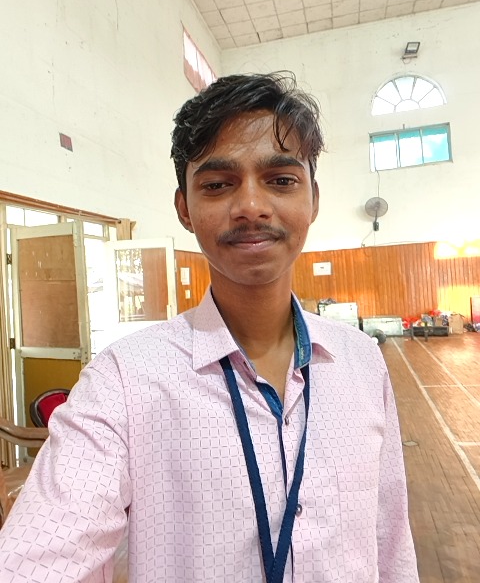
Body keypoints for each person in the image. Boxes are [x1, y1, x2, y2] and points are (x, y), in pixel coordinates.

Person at [0, 72, 419, 582]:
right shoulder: (123, 382)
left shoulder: (361, 361)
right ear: (185, 207)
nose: (251, 207)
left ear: (313, 197)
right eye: (218, 184)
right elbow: (39, 556)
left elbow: (390, 539)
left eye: (280, 180)